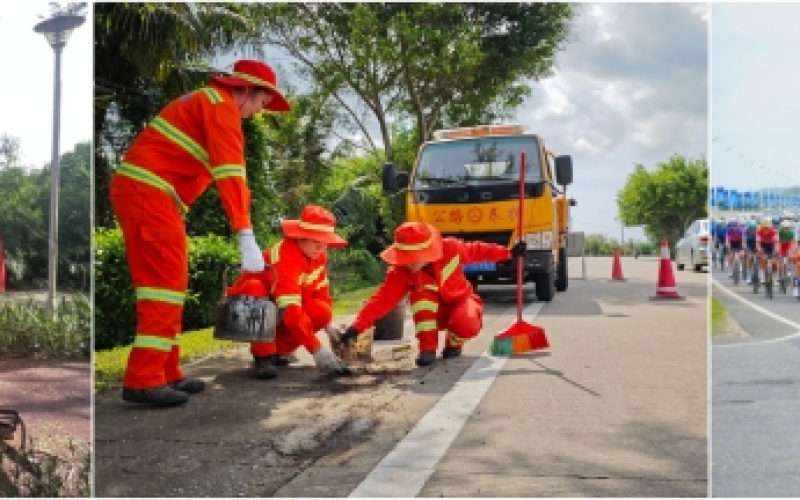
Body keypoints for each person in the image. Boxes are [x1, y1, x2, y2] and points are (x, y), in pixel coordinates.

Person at [111, 59, 292, 406]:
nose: (256, 113)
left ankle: (166, 373)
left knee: (169, 289)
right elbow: (231, 174)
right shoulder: (221, 108)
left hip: (148, 194)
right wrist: (245, 232)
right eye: (260, 104)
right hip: (150, 196)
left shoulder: (206, 103)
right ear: (246, 90)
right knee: (163, 290)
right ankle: (144, 379)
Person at [337, 222, 526, 366]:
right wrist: (356, 328)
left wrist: (509, 253)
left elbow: (478, 250)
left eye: (412, 258)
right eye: (404, 257)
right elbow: (380, 301)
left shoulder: (451, 249)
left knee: (465, 322)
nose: (408, 263)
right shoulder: (399, 273)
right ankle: (427, 349)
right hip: (434, 313)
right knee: (421, 296)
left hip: (461, 301)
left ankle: (454, 343)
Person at [227, 205, 350, 379]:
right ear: (301, 237)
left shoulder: (319, 255)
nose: (321, 248)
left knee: (322, 311)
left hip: (280, 309)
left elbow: (321, 291)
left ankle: (279, 351)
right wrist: (317, 349)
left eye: (325, 242)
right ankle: (263, 356)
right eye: (316, 242)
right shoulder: (285, 257)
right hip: (250, 303)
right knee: (255, 288)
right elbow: (290, 310)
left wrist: (328, 324)